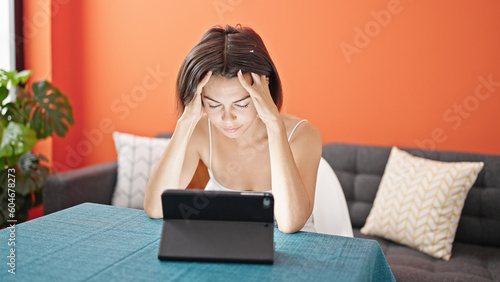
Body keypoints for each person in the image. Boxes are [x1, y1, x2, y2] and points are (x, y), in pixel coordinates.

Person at [144, 25, 322, 234]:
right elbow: (155, 208)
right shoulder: (201, 132)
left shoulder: (302, 135)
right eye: (213, 105)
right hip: (227, 244)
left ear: (264, 88)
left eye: (242, 104)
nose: (227, 119)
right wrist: (185, 123)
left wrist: (274, 126)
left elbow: (290, 223)